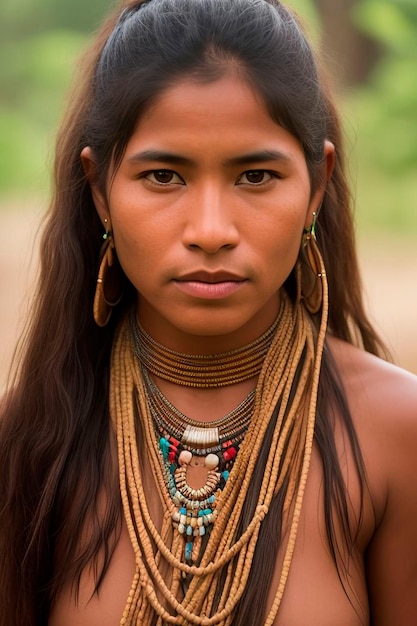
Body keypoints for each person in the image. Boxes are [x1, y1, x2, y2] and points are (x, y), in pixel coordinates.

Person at [1, 0, 416, 624]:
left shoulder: (396, 436)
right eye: (164, 176)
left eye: (256, 176)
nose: (212, 230)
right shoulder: (30, 439)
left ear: (316, 185)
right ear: (100, 191)